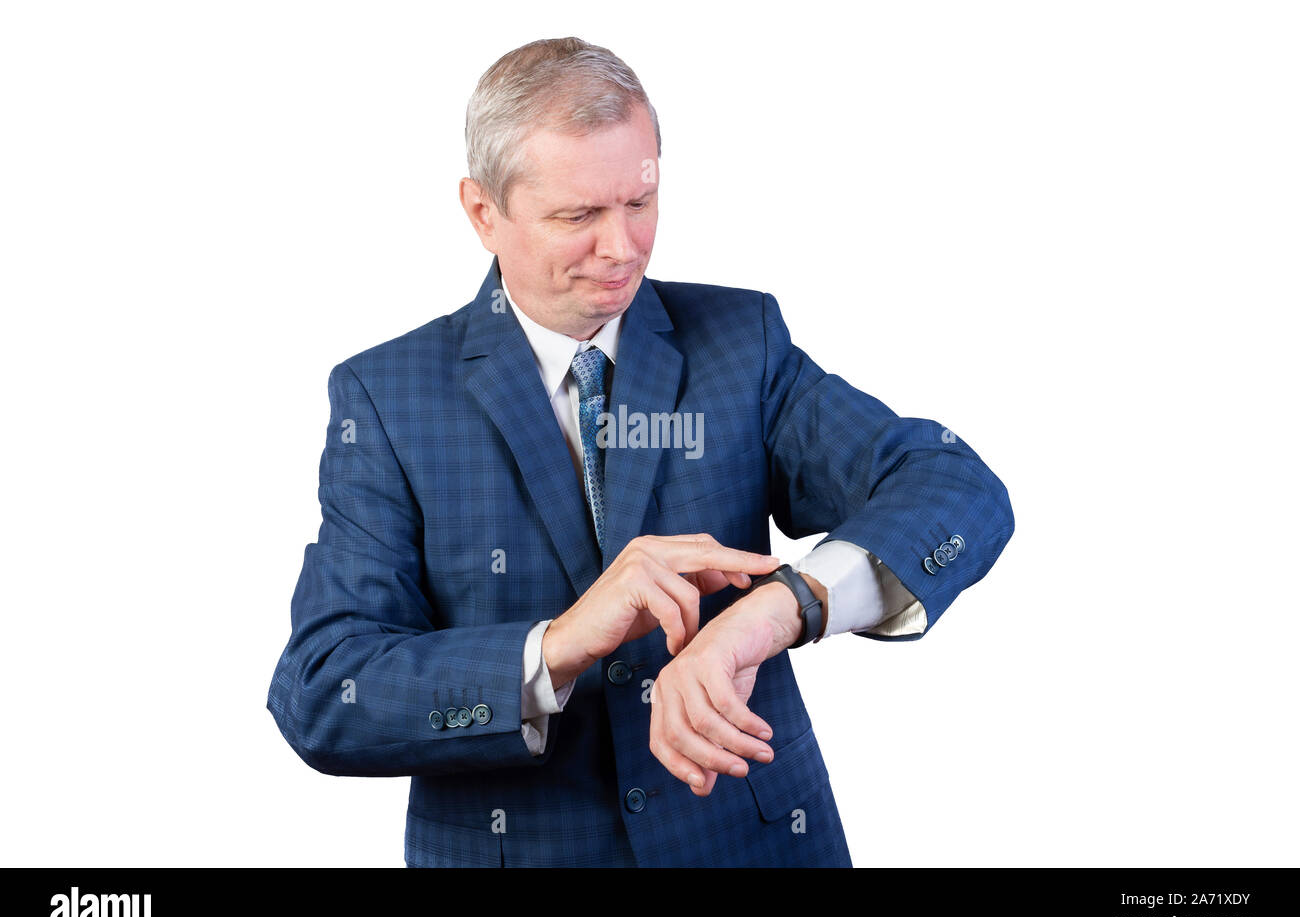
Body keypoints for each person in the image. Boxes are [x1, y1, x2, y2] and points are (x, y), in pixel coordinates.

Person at [266, 36, 1014, 867]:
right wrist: (557, 645)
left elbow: (956, 486)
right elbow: (325, 692)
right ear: (483, 211)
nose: (622, 248)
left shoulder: (742, 342)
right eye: (578, 216)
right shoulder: (387, 396)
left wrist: (779, 610)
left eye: (639, 202)